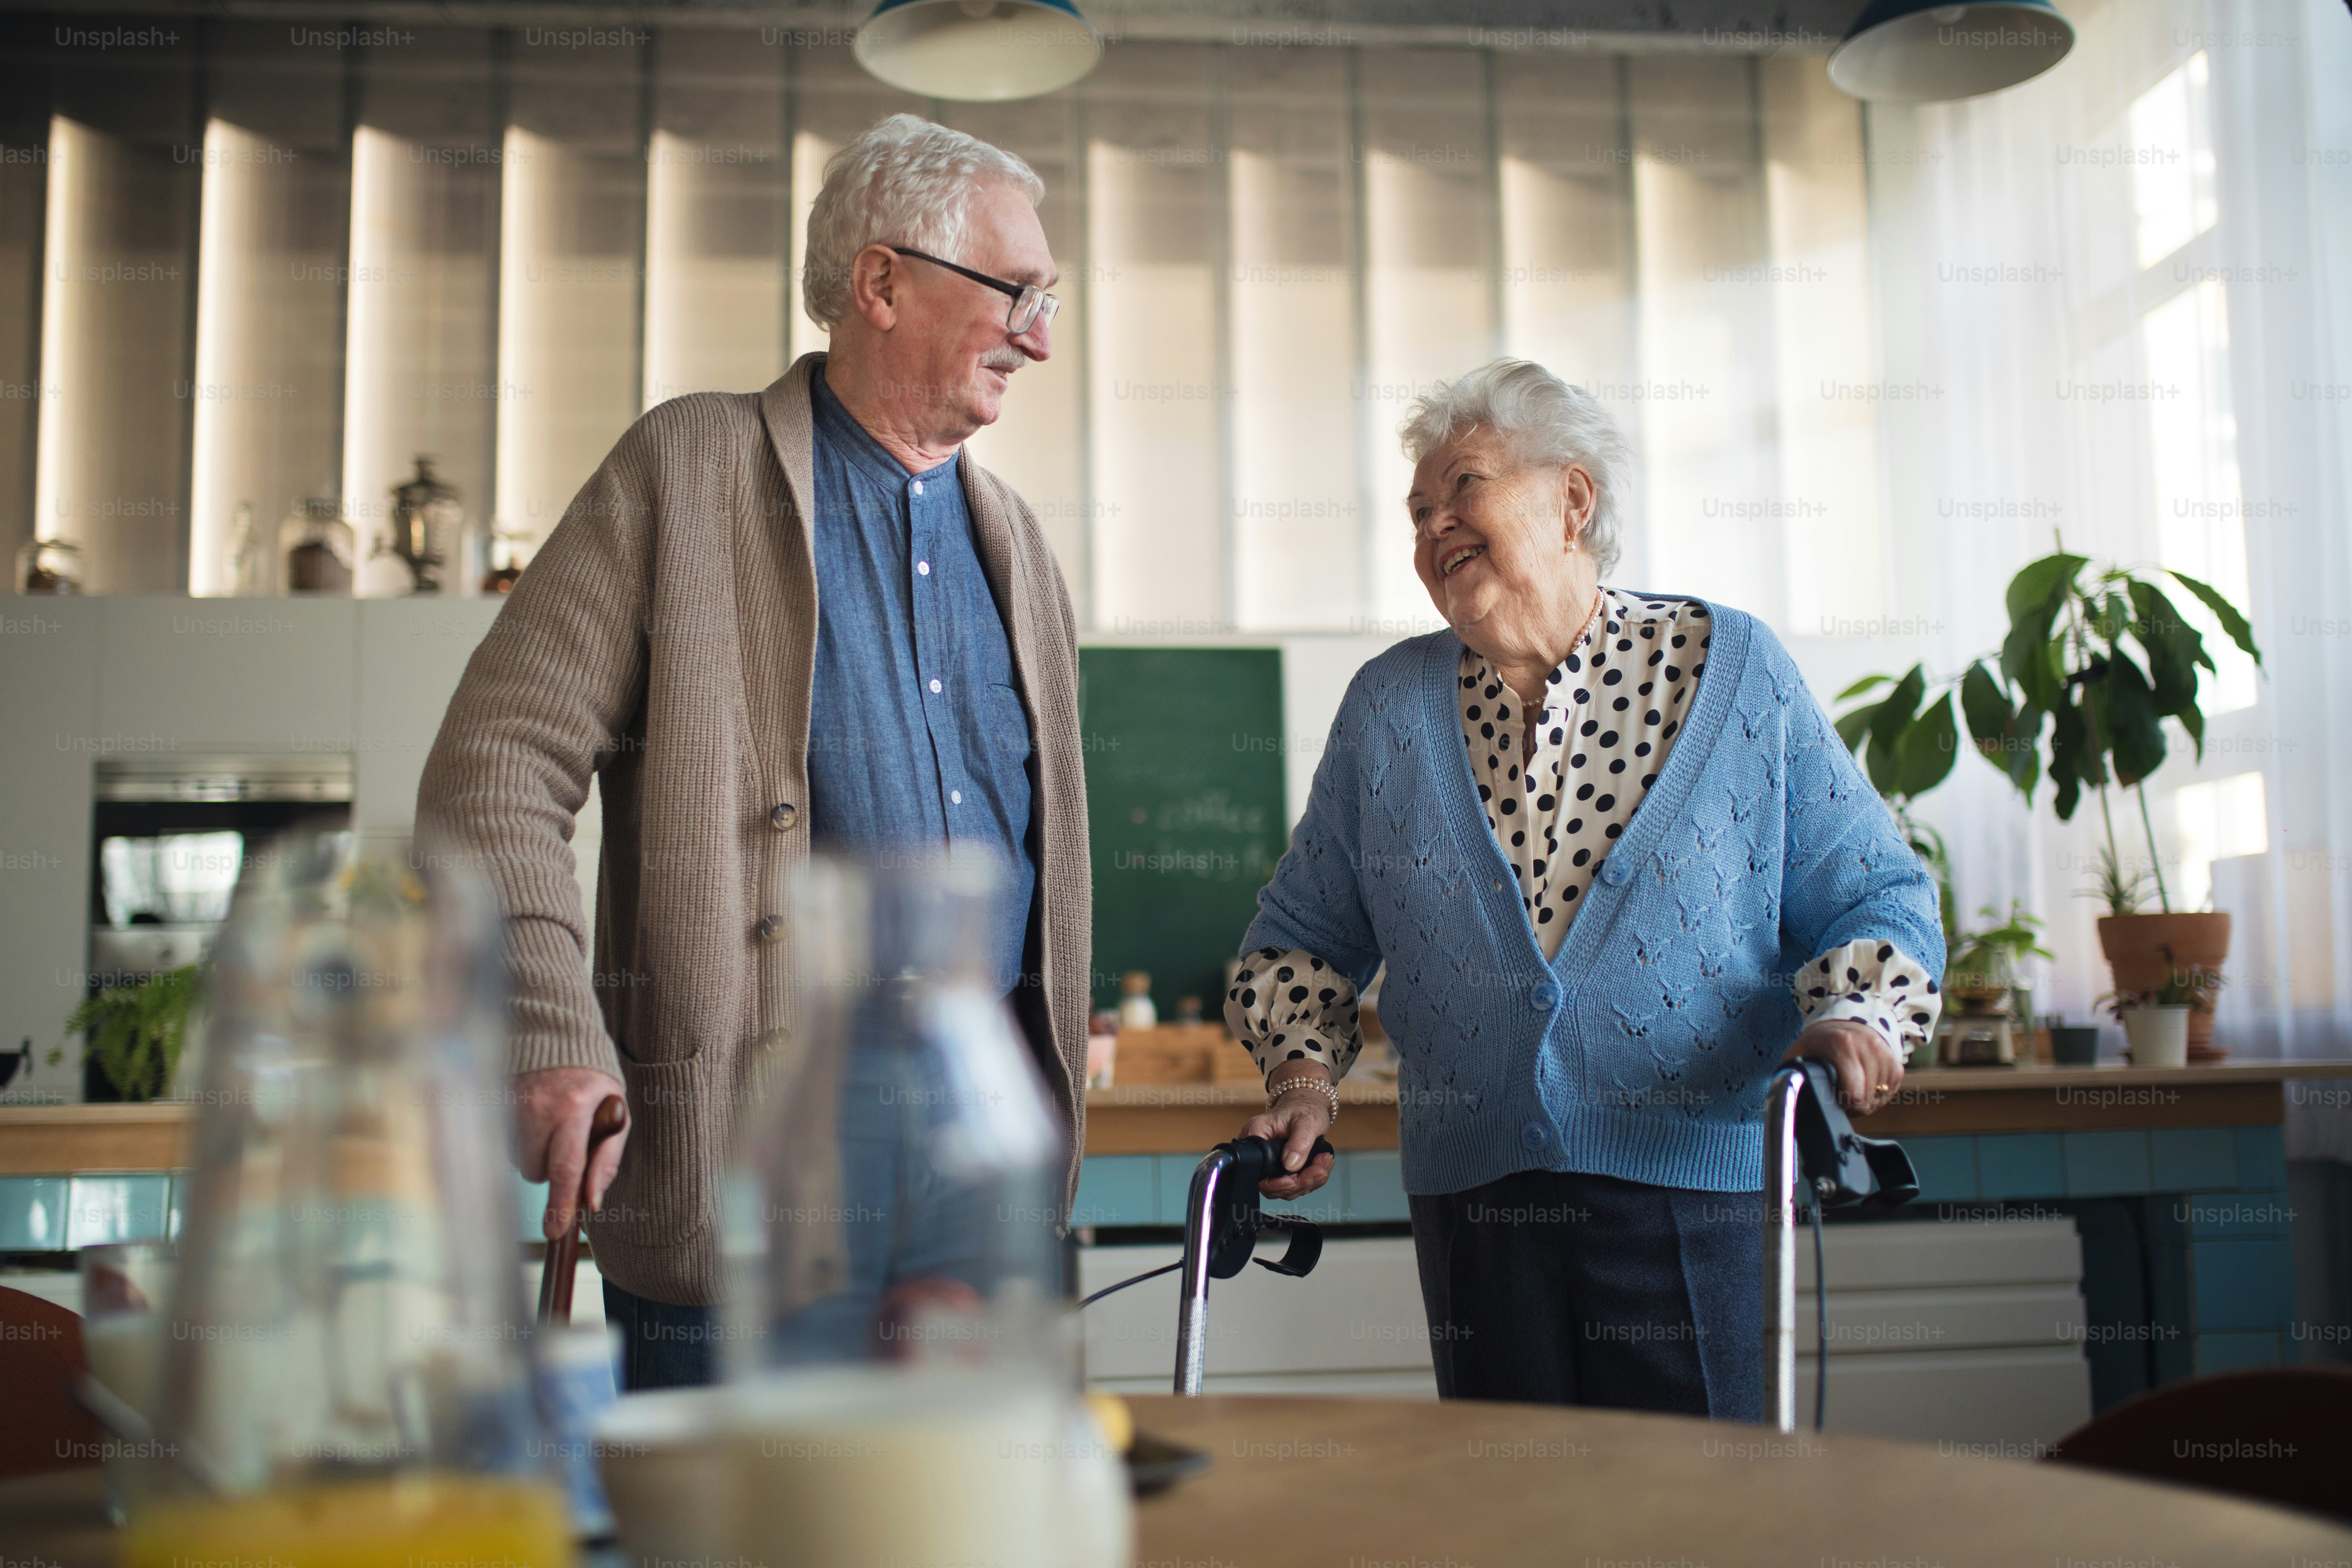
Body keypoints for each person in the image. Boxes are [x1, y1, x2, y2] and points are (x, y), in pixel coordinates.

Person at [416, 115, 1090, 1389]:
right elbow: (492, 772)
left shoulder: (1023, 548)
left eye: (1049, 298)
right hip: (734, 1206)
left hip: (975, 1220)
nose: (1041, 335)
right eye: (1016, 292)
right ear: (880, 283)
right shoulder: (686, 468)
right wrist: (554, 1030)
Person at [1224, 359, 1943, 1419]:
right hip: (1477, 1208)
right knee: (1518, 1521)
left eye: (1463, 488)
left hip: (1695, 1186)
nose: (1434, 528)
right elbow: (1300, 941)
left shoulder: (1727, 668)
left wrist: (1856, 1021)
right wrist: (1303, 1082)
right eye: (1418, 512)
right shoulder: (1389, 708)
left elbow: (1875, 894)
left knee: (1698, 1521)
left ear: (1572, 500)